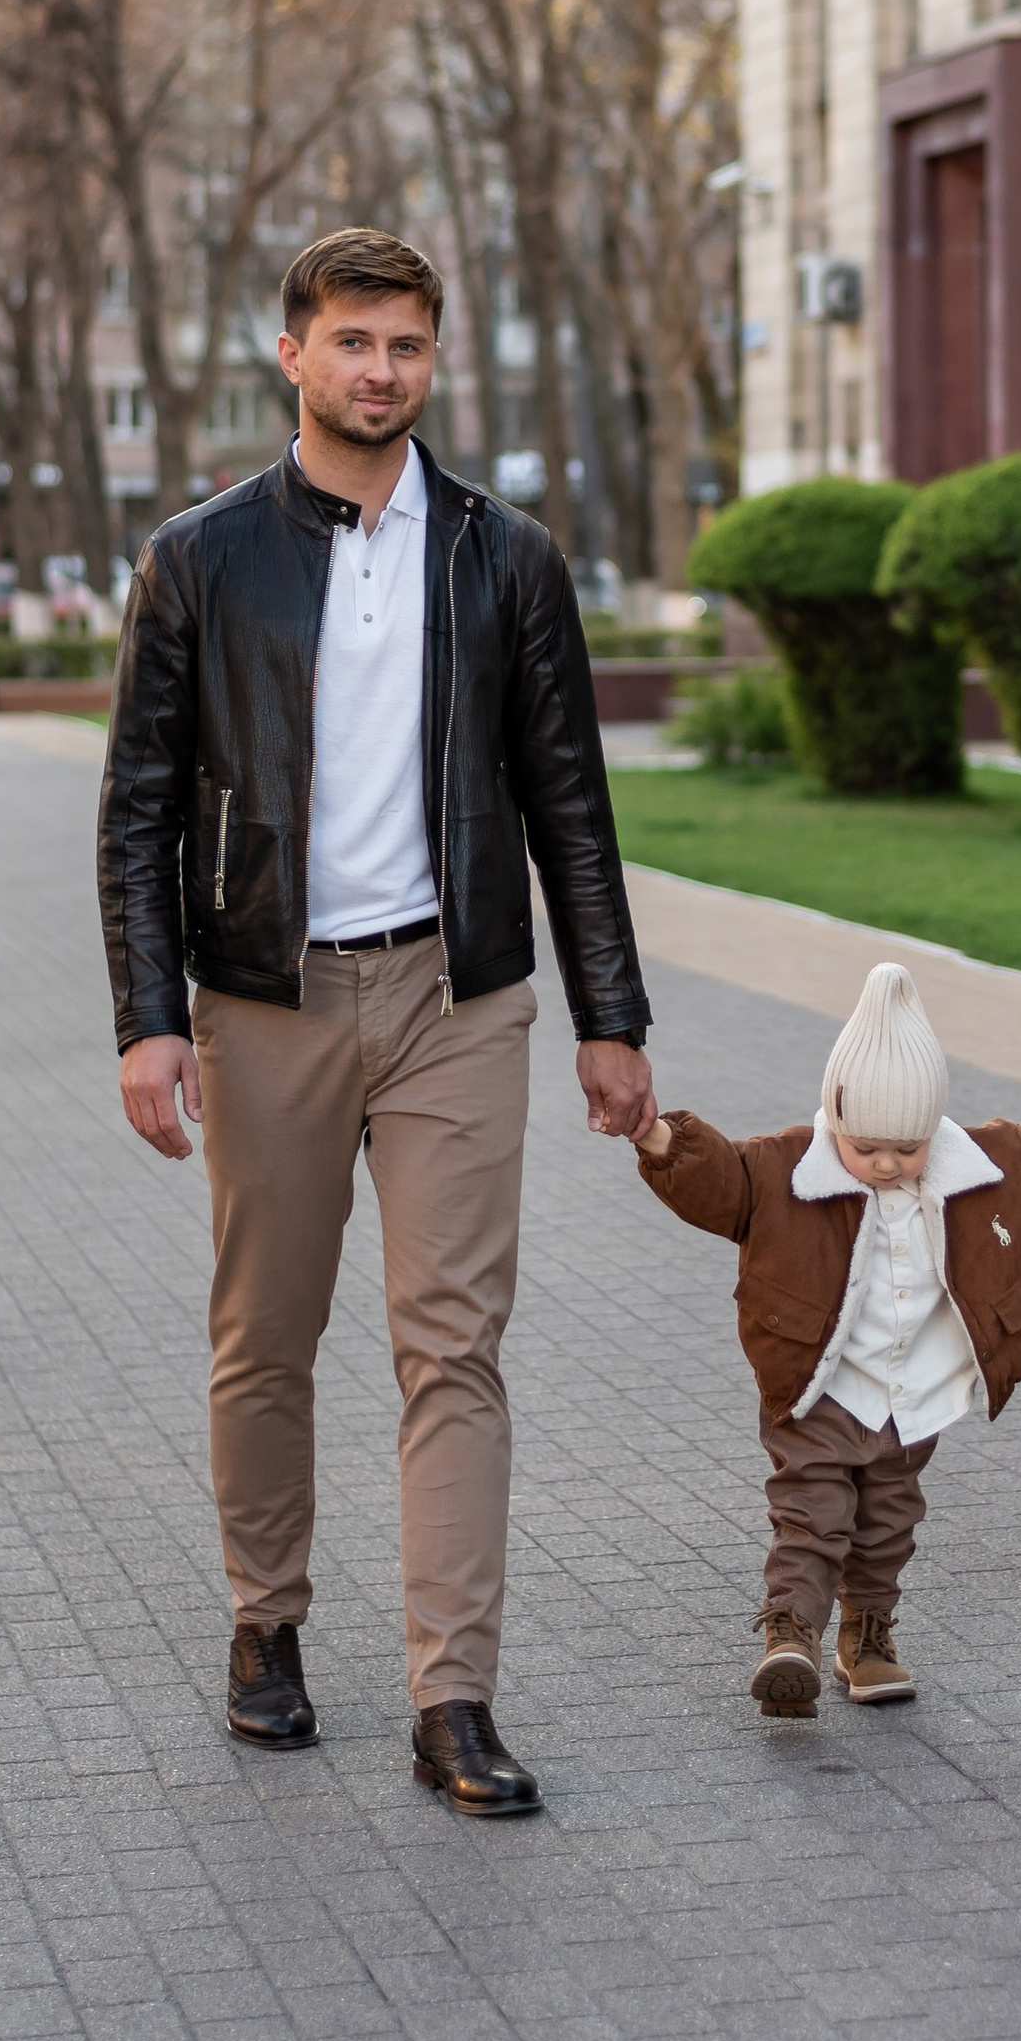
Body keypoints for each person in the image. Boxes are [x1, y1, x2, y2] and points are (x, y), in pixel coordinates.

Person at [99, 226, 655, 1819]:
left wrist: (608, 1014)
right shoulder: (201, 555)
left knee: (453, 1346)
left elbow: (571, 802)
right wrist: (152, 1017)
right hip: (264, 997)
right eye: (352, 340)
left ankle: (451, 1693)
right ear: (293, 352)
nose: (381, 369)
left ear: (431, 357)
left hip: (453, 995)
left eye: (406, 343)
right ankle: (265, 1623)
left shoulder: (505, 554)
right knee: (265, 1335)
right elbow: (138, 805)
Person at [634, 962, 1021, 1716]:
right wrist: (655, 1134)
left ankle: (866, 1634)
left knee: (887, 1522)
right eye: (865, 1144)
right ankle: (791, 1633)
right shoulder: (783, 1172)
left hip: (912, 1398)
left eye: (908, 1146)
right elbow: (719, 1181)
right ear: (835, 1113)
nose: (887, 1163)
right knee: (812, 1513)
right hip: (819, 1389)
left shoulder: (983, 1169)